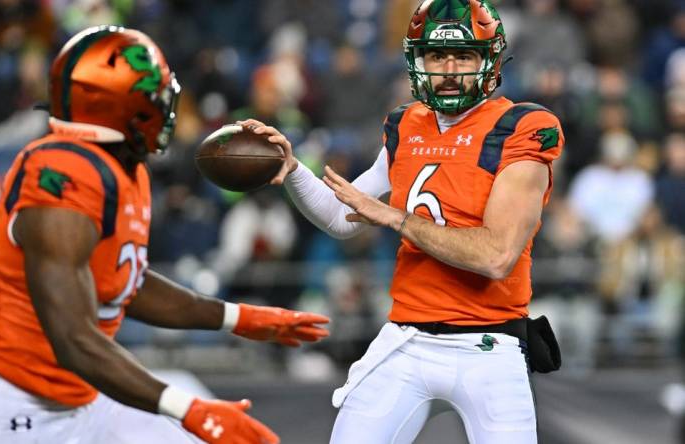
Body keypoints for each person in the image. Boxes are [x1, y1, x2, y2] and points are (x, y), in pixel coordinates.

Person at [0, 26, 330, 444]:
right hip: (21, 407)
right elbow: (72, 339)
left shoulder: (126, 168)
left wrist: (238, 317)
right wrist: (189, 408)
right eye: (153, 99)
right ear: (115, 106)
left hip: (90, 394)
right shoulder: (58, 173)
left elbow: (126, 281)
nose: (164, 110)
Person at [240, 1, 564, 442]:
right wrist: (293, 171)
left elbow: (496, 256)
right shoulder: (405, 125)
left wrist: (398, 219)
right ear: (417, 60)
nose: (449, 68)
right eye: (436, 55)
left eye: (464, 55)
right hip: (407, 340)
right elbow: (343, 217)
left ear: (489, 60)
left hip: (489, 346)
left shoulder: (521, 127)